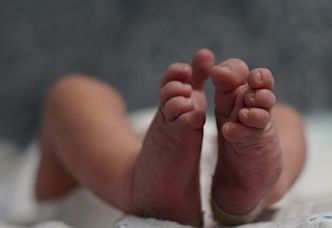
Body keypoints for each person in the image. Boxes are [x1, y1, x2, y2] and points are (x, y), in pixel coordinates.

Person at [34, 49, 306, 227]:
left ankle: (132, 179)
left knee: (73, 93)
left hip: (113, 174)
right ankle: (269, 185)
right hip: (201, 152)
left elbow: (49, 184)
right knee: (286, 116)